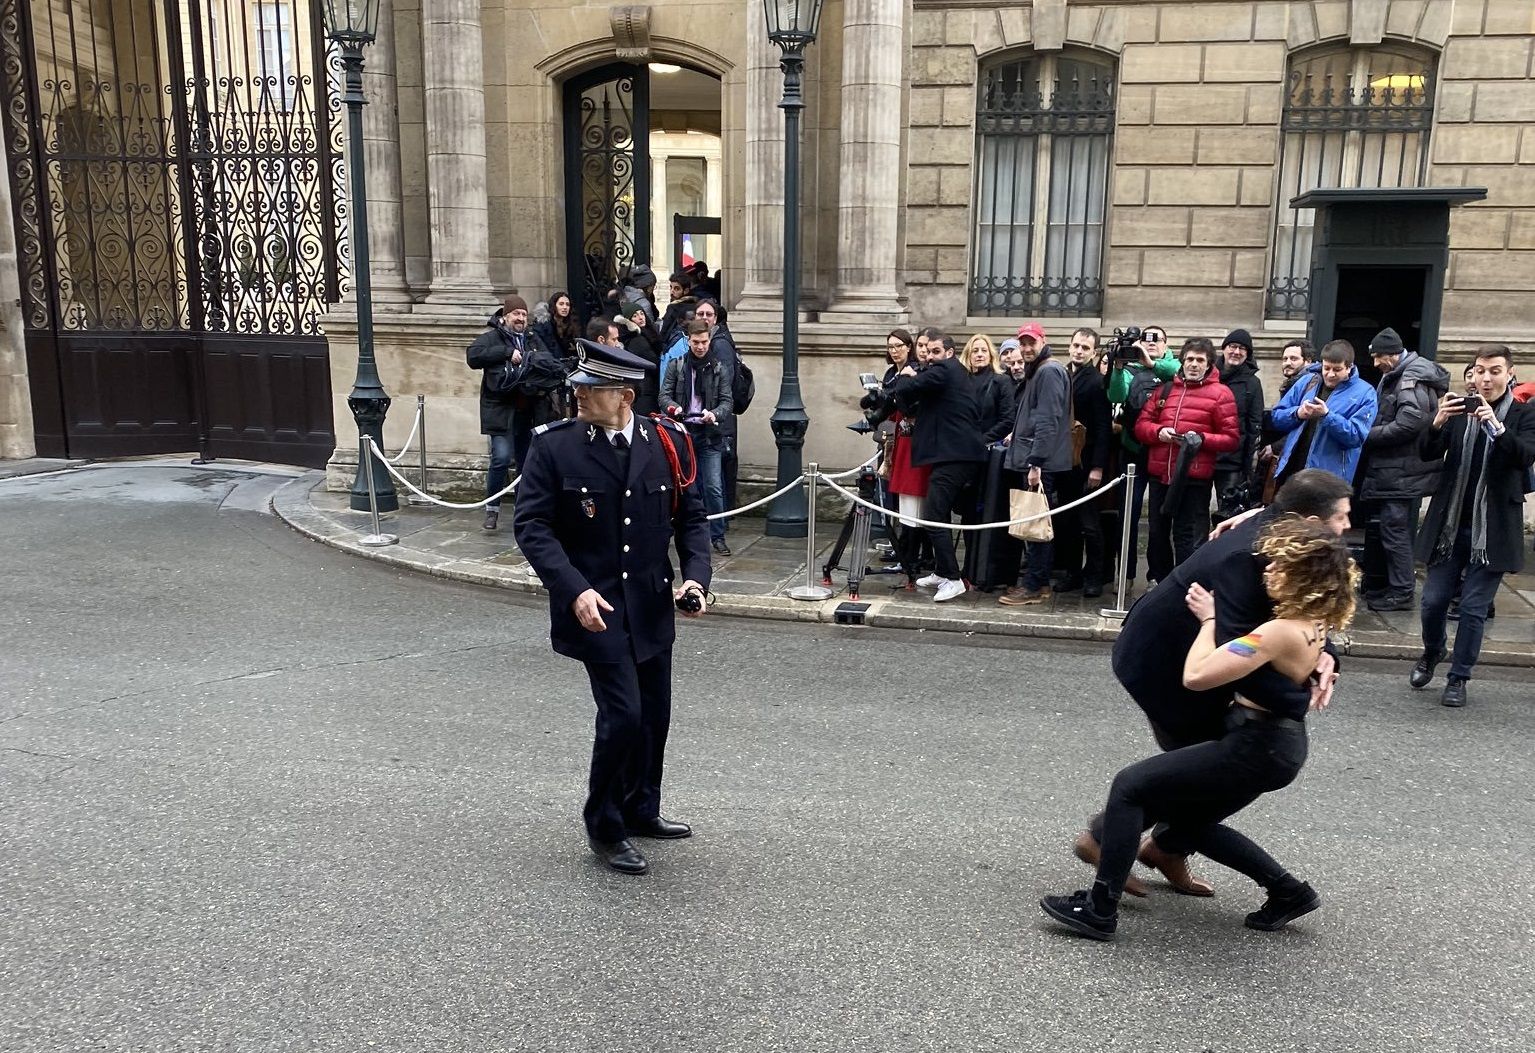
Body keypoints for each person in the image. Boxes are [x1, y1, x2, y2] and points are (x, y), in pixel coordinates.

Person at [1042, 515, 1358, 941]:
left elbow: (1199, 675)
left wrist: (1210, 621)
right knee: (1187, 818)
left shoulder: (1277, 632)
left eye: (1278, 566)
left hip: (1256, 744)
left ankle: (1099, 908)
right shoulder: (1314, 620)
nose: (1268, 570)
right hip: (1275, 743)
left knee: (1130, 787)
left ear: (1301, 574)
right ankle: (1289, 891)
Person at [511, 338, 711, 876]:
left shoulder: (666, 441)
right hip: (594, 604)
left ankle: (642, 807)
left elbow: (689, 519)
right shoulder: (554, 448)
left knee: (654, 717)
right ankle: (604, 823)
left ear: (624, 395)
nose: (576, 394)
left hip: (650, 604)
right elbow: (531, 527)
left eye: (589, 388)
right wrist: (573, 588)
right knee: (622, 715)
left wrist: (696, 580)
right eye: (577, 385)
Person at [1411, 344, 1535, 707]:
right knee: (1432, 602)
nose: (1486, 378)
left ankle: (1458, 677)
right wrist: (1436, 423)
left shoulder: (1524, 415)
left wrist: (1495, 427)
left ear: (1509, 374)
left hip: (1492, 528)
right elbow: (1427, 452)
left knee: (1473, 608)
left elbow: (1525, 455)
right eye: (1480, 370)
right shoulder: (1462, 411)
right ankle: (1433, 651)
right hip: (1450, 525)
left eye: (1495, 371)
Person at [888, 328, 987, 603]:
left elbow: (908, 387)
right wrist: (907, 383)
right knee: (937, 515)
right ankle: (944, 571)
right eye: (927, 352)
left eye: (935, 352)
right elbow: (908, 406)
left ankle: (954, 580)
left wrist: (906, 376)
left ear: (950, 353)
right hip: (949, 456)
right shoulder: (939, 377)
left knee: (933, 515)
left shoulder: (947, 370)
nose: (930, 357)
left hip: (957, 457)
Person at [1357, 327, 1449, 611]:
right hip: (1398, 469)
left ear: (1393, 355)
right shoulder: (1406, 374)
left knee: (1394, 530)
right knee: (1390, 529)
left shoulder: (1410, 380)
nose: (1375, 364)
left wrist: (1368, 434)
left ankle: (1401, 592)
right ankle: (1391, 586)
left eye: (1378, 357)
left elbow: (1411, 423)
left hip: (1401, 469)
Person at [1133, 338, 1240, 581]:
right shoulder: (1166, 389)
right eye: (1189, 359)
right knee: (1157, 532)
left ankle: (1183, 584)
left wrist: (1201, 439)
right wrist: (1158, 433)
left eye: (1199, 360)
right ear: (1182, 362)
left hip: (1194, 478)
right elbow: (1141, 426)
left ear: (1209, 364)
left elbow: (1231, 438)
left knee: (1187, 535)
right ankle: (1159, 581)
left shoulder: (1221, 394)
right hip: (1161, 474)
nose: (1193, 365)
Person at [465, 294, 566, 532]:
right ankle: (492, 510)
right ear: (505, 316)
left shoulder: (531, 338)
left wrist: (531, 360)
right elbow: (473, 355)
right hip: (501, 411)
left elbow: (550, 360)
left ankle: (523, 510)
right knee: (500, 458)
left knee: (526, 463)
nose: (520, 318)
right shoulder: (492, 338)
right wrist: (506, 353)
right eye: (516, 314)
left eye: (523, 314)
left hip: (528, 411)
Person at [999, 328, 1072, 606]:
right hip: (1036, 456)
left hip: (1041, 461)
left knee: (1036, 523)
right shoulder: (1038, 369)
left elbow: (1048, 418)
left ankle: (1033, 584)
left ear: (1044, 343)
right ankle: (1038, 582)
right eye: (1023, 343)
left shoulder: (1048, 371)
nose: (1027, 348)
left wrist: (1036, 462)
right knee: (1035, 521)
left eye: (1032, 343)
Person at [1106, 326, 1181, 589]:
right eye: (1144, 339)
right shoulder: (1131, 369)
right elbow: (1116, 395)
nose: (1149, 344)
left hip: (1163, 453)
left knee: (1160, 519)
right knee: (1129, 513)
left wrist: (1153, 364)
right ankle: (1125, 574)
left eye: (1155, 339)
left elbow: (1180, 375)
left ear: (1166, 343)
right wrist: (1117, 368)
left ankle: (1156, 575)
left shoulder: (1175, 366)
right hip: (1133, 450)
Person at [661, 320, 734, 556]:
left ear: (710, 340)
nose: (700, 347)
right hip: (683, 434)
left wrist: (714, 414)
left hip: (708, 435)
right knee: (681, 486)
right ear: (688, 341)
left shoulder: (719, 367)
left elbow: (727, 401)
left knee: (713, 487)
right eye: (696, 342)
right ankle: (680, 530)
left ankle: (718, 535)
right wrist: (674, 409)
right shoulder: (677, 365)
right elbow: (664, 396)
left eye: (704, 342)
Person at [1269, 340, 1377, 489]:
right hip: (1292, 471)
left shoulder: (1365, 393)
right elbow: (1276, 417)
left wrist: (1327, 416)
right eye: (1326, 368)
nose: (1330, 374)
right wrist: (1297, 413)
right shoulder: (1307, 381)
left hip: (1328, 480)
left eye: (1337, 369)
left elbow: (1355, 437)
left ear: (1349, 368)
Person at [1055, 327, 1110, 597]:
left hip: (1087, 460)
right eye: (1076, 345)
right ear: (1069, 346)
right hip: (1064, 460)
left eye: (1085, 348)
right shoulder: (1062, 374)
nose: (1079, 350)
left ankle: (1094, 577)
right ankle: (1072, 573)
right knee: (1067, 521)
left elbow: (1103, 428)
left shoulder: (1097, 382)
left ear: (1094, 352)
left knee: (1089, 523)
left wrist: (1098, 467)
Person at [1213, 328, 1265, 523]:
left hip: (1232, 460)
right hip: (1205, 455)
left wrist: (1247, 465)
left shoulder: (1252, 383)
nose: (1236, 352)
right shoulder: (1209, 374)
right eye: (1233, 346)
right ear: (1224, 349)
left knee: (1229, 512)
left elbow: (1254, 424)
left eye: (1242, 349)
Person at [616, 300, 663, 416]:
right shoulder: (637, 340)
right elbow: (654, 363)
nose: (641, 318)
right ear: (628, 321)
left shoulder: (646, 334)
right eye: (635, 316)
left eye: (641, 313)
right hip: (645, 390)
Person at [534, 290, 582, 360]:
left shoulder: (572, 325)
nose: (565, 307)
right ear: (554, 305)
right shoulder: (544, 326)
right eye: (561, 304)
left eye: (567, 304)